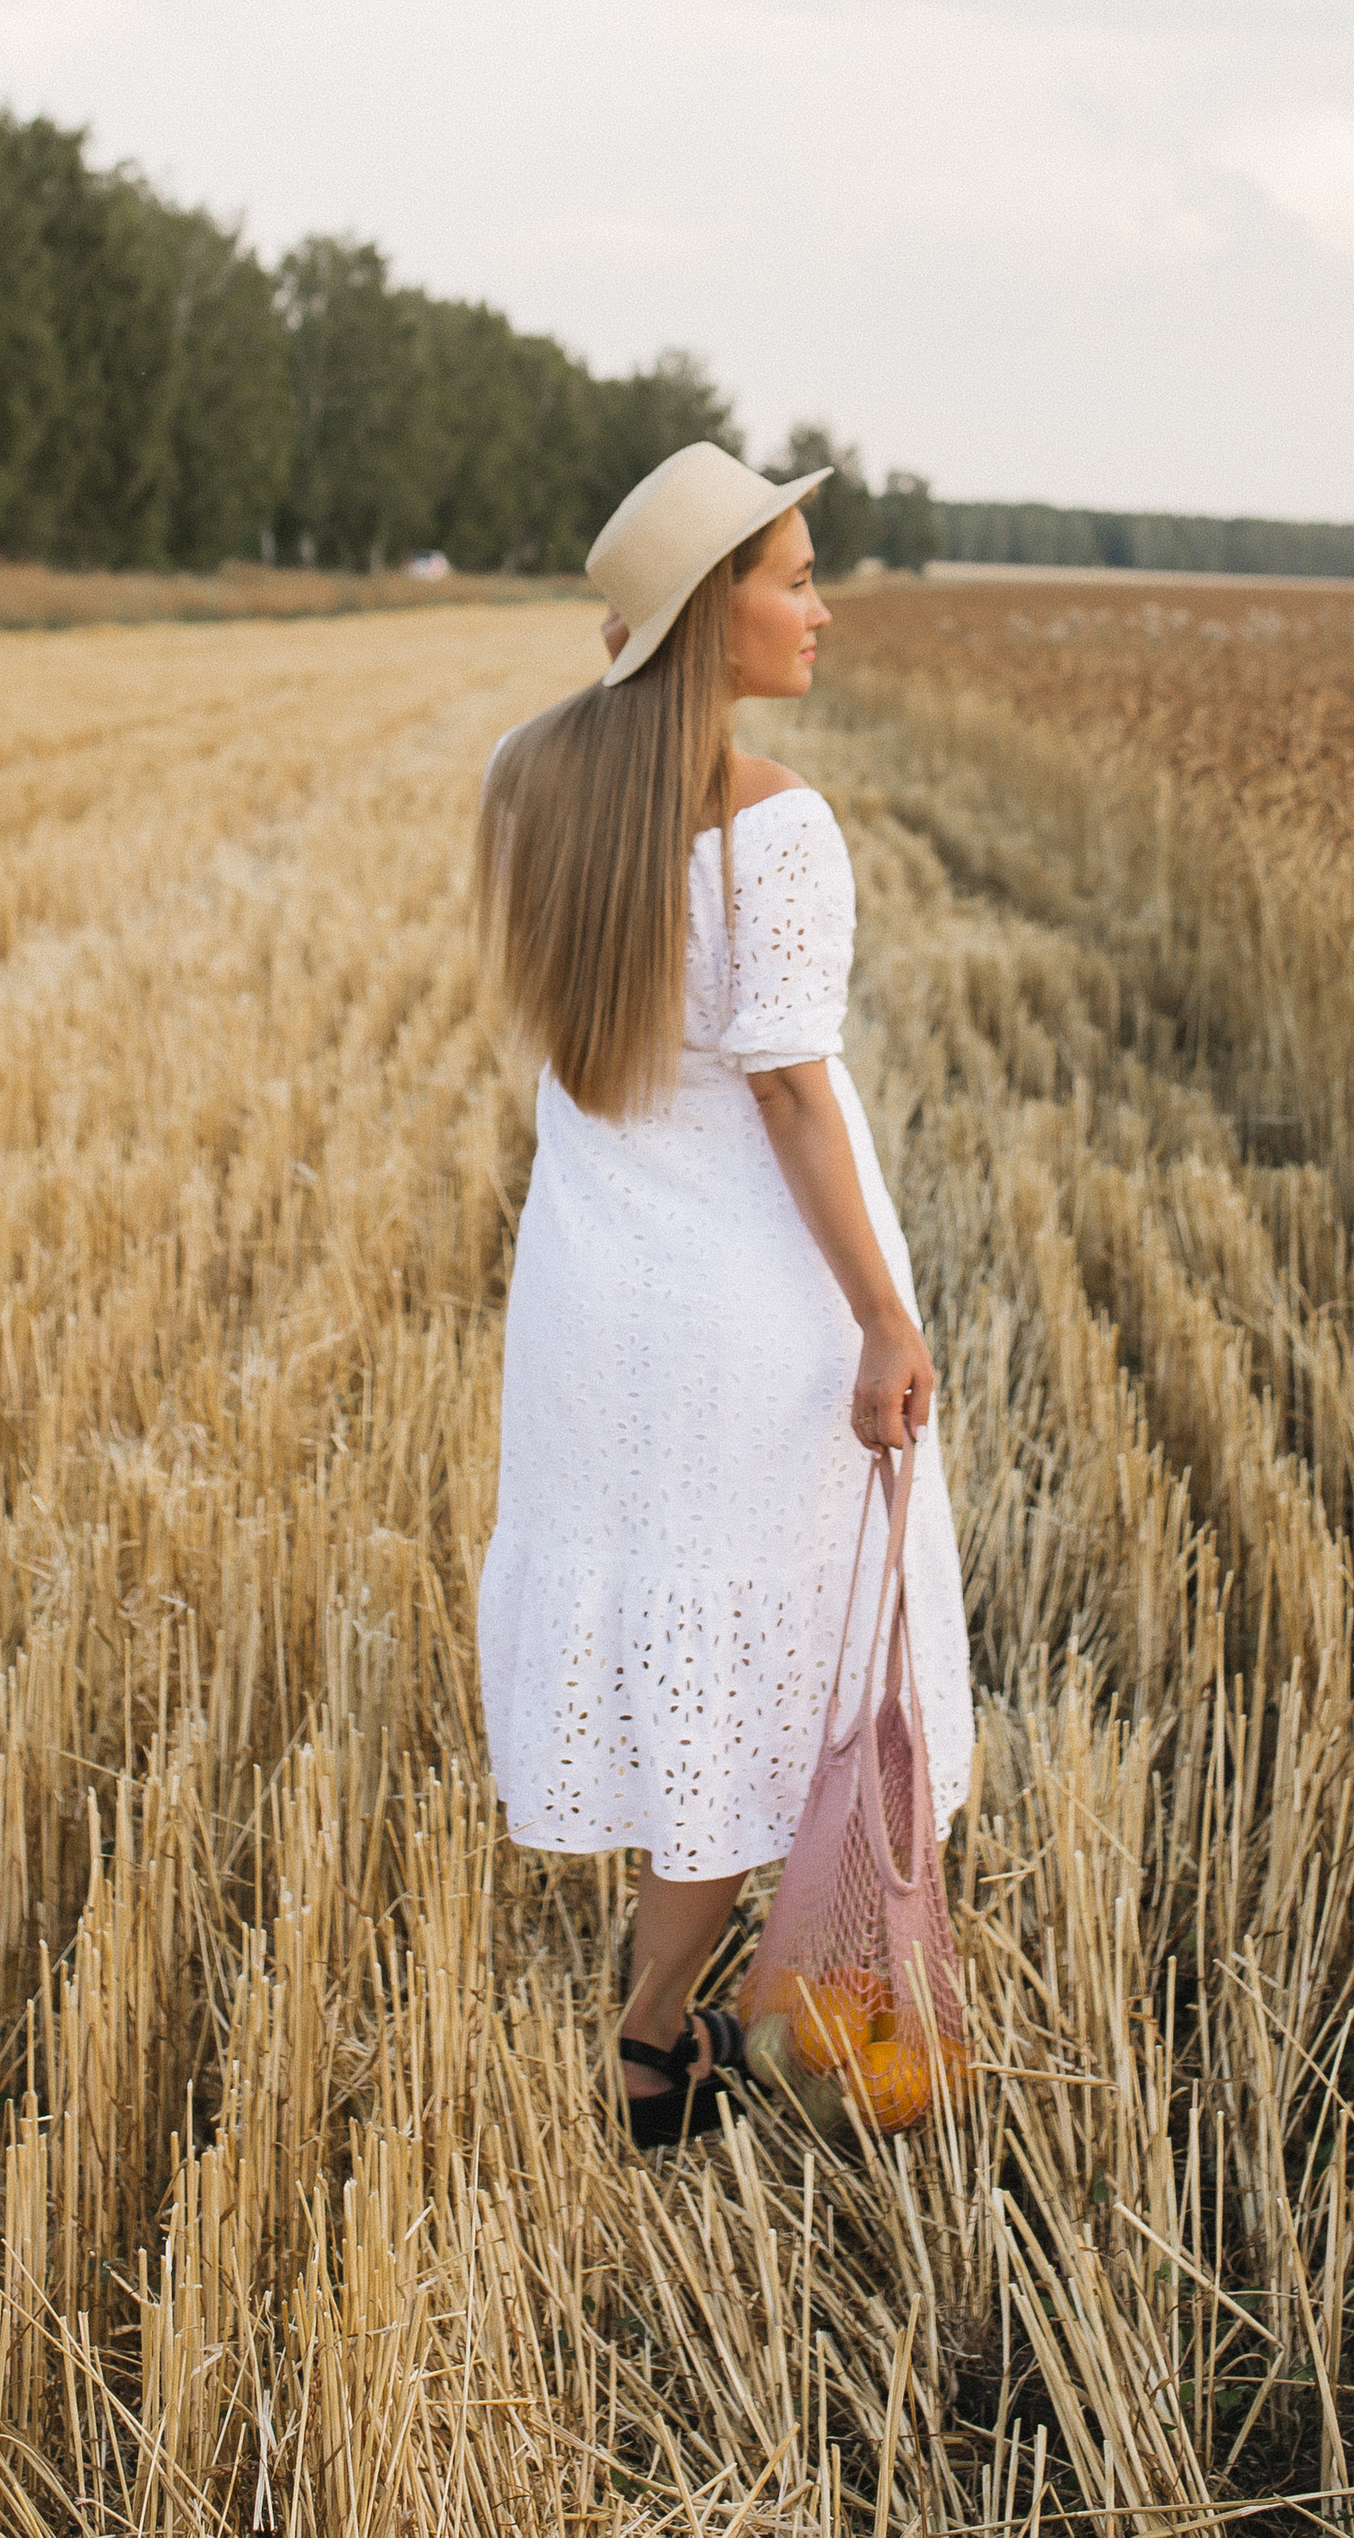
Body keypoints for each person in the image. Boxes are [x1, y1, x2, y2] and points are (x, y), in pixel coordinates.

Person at [473, 440, 973, 2147]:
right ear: (712, 612)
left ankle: (674, 2027)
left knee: (673, 1645)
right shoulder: (778, 826)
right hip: (751, 1314)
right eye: (797, 579)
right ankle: (677, 2023)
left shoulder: (528, 781)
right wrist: (884, 1315)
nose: (822, 610)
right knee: (763, 1671)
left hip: (593, 1309)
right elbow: (790, 1095)